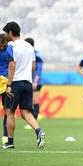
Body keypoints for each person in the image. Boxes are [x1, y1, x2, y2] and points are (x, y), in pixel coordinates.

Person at [2, 21, 46, 149]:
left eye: (6, 33)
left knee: (9, 112)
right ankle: (39, 131)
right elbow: (33, 65)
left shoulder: (11, 46)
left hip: (15, 82)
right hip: (27, 83)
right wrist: (29, 79)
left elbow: (11, 66)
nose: (6, 35)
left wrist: (9, 85)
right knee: (25, 112)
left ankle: (10, 142)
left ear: (10, 32)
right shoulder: (29, 46)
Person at [24, 37, 44, 130]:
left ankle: (34, 121)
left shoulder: (37, 55)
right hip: (27, 80)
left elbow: (39, 69)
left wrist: (35, 81)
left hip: (36, 82)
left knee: (35, 101)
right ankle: (33, 119)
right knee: (31, 101)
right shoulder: (26, 54)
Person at [0, 33, 8, 145]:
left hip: (6, 83)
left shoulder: (11, 50)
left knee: (7, 111)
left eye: (3, 46)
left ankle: (6, 136)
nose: (1, 47)